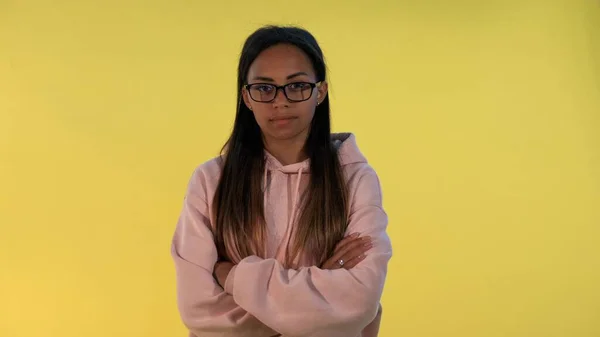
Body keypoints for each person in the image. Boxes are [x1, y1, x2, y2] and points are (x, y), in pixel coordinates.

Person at [170, 25, 392, 337]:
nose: (280, 102)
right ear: (246, 97)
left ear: (321, 91)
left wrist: (231, 275)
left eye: (297, 85)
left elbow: (357, 304)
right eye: (264, 88)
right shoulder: (211, 180)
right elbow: (199, 311)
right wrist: (318, 293)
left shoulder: (354, 179)